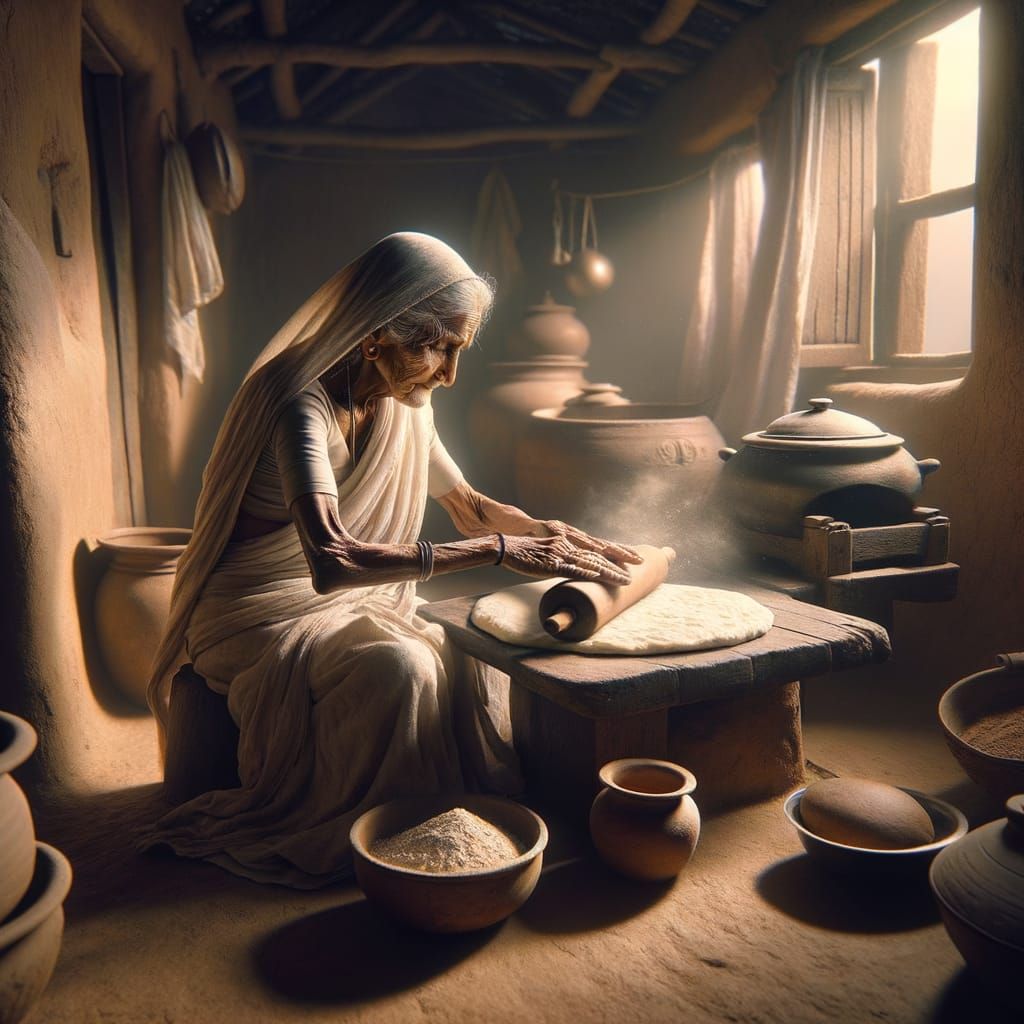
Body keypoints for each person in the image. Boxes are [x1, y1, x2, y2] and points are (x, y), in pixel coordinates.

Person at [142, 232, 639, 887]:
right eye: (439, 348)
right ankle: (375, 836)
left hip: (347, 602)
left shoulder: (404, 403)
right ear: (377, 336)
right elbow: (331, 560)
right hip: (252, 610)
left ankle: (435, 821)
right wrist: (498, 550)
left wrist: (555, 536)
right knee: (401, 667)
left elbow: (467, 505)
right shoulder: (298, 402)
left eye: (459, 349)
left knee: (472, 645)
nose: (450, 373)